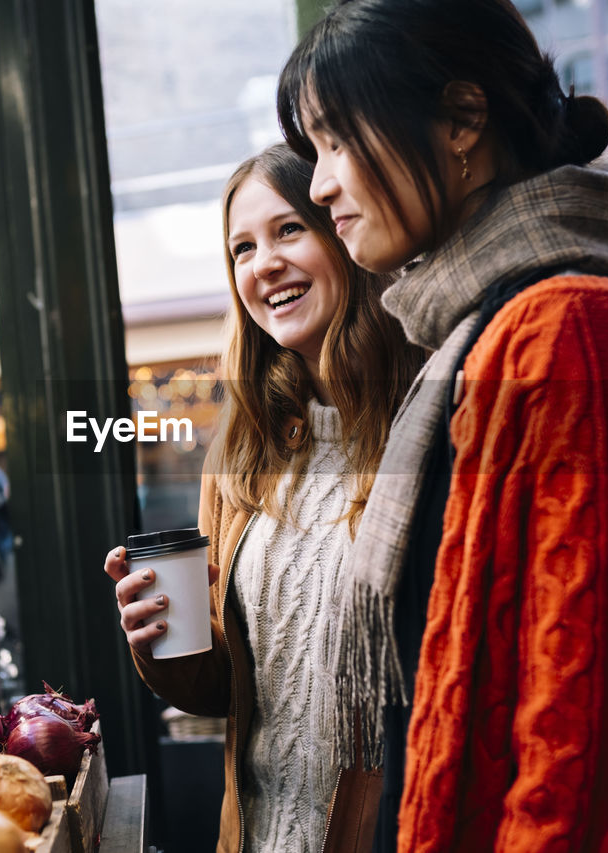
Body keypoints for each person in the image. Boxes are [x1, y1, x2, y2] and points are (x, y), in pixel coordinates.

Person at [276, 1, 608, 851]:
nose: (321, 186)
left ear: (463, 118)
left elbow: (588, 747)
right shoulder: (469, 339)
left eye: (334, 141)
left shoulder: (570, 329)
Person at [104, 143, 421, 853]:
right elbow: (228, 690)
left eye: (287, 230)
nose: (263, 264)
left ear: (343, 232)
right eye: (241, 248)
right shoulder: (243, 453)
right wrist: (159, 638)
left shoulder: (422, 426)